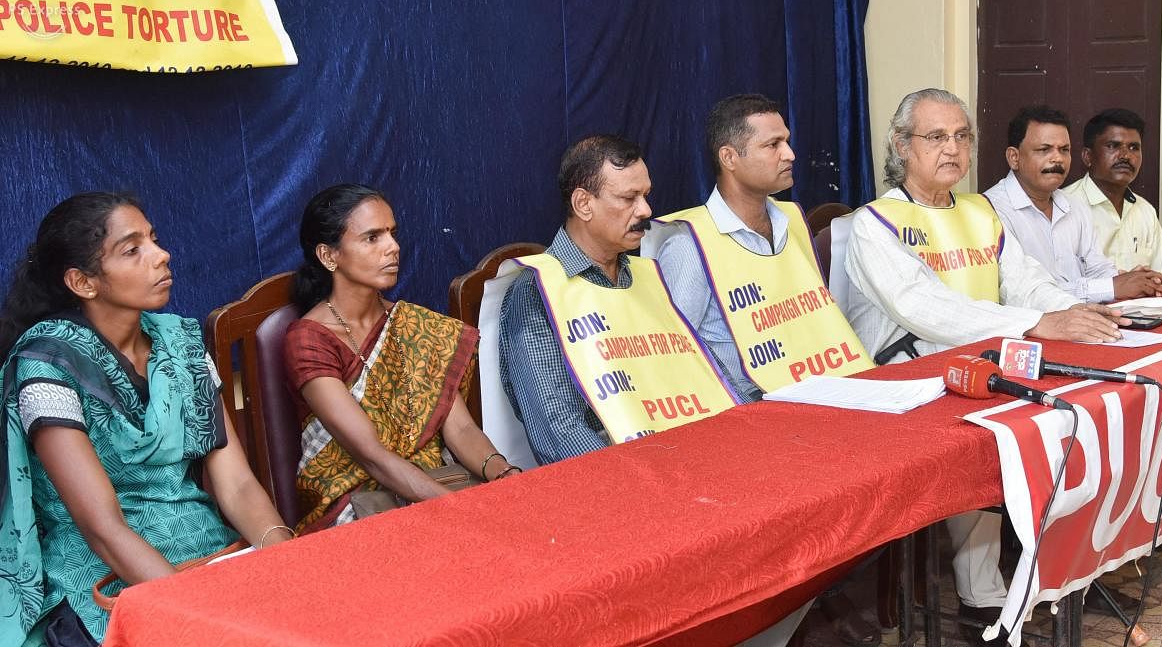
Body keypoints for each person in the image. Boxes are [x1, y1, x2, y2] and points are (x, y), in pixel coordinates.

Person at [843, 89, 1128, 646]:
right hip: (911, 377)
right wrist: (1033, 324)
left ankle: (1042, 570)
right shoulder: (875, 223)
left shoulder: (978, 210)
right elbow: (924, 309)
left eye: (961, 136)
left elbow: (1024, 279)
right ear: (902, 147)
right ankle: (983, 595)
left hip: (984, 359)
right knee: (1005, 427)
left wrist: (1066, 310)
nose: (952, 148)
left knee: (1066, 410)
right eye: (935, 137)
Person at [0, 193, 292, 646]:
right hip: (107, 578)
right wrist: (195, 615)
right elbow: (102, 527)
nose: (162, 255)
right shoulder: (47, 364)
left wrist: (286, 561)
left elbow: (235, 484)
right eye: (132, 249)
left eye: (154, 240)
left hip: (211, 554)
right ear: (83, 282)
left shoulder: (181, 343)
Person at [642, 94, 878, 646]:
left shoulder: (791, 218)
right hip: (744, 421)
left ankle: (810, 608)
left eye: (786, 140)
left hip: (812, 400)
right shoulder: (689, 242)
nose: (790, 153)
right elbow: (677, 353)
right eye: (773, 144)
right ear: (729, 156)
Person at [487, 135, 739, 466]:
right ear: (583, 204)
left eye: (646, 195)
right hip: (620, 478)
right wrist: (644, 478)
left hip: (691, 454)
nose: (646, 210)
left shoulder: (649, 276)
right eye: (628, 198)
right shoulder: (539, 290)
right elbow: (559, 430)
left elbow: (707, 377)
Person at [282, 184, 518, 532]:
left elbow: (462, 428)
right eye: (372, 238)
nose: (393, 248)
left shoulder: (413, 325)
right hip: (354, 505)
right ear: (329, 256)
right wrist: (460, 511)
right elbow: (372, 456)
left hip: (434, 483)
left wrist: (504, 474)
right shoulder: (310, 339)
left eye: (392, 234)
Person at [982, 105, 1162, 302]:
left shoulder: (1074, 206)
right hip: (1028, 329)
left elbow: (1097, 268)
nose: (1057, 158)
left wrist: (1130, 280)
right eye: (1044, 149)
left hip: (1085, 321)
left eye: (1064, 150)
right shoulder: (991, 212)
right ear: (1014, 157)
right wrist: (1112, 287)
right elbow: (1023, 293)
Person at [1062, 108, 1162, 281]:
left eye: (1134, 147)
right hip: (1085, 307)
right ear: (1088, 157)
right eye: (1113, 146)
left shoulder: (1144, 210)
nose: (1126, 155)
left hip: (1143, 308)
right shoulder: (1064, 207)